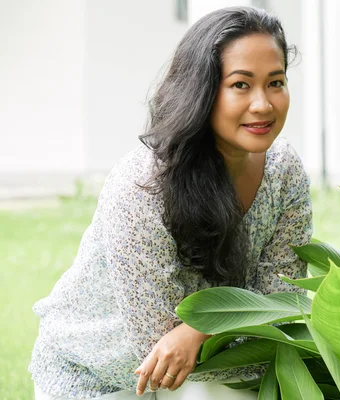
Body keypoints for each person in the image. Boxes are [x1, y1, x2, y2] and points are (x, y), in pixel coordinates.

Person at [29, 6, 312, 400]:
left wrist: (200, 329)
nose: (263, 104)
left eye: (276, 82)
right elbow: (159, 346)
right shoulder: (144, 185)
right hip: (98, 374)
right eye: (241, 85)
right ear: (203, 89)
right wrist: (235, 326)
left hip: (210, 369)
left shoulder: (284, 171)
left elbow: (282, 303)